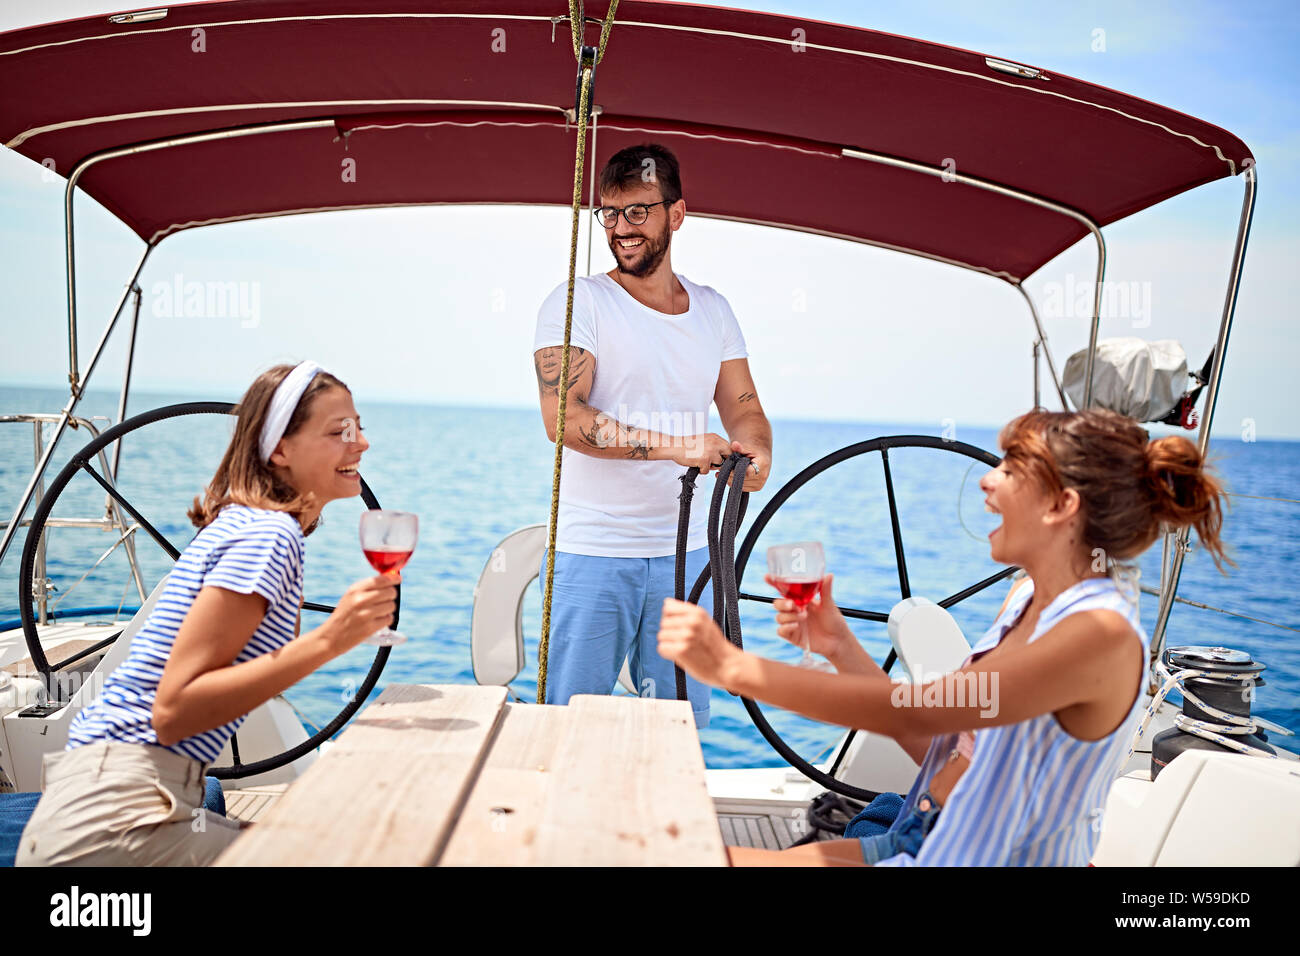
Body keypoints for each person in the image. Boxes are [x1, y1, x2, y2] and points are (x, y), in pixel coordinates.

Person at [659, 408, 1229, 865]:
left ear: (1062, 505)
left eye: (1009, 469)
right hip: (925, 838)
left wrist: (733, 669)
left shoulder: (1097, 633)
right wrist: (837, 643)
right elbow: (943, 744)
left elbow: (918, 711)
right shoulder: (1028, 599)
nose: (986, 479)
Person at [16, 361, 398, 866]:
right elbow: (174, 712)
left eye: (359, 428)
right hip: (114, 828)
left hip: (107, 804)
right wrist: (332, 639)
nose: (361, 443)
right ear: (280, 449)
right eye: (338, 431)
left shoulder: (252, 525)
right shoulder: (268, 536)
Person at [533, 143, 772, 727]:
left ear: (677, 213)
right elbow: (563, 418)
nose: (621, 229)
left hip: (687, 557)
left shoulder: (714, 310)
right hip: (590, 552)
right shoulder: (577, 302)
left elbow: (744, 407)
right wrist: (683, 449)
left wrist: (757, 454)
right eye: (610, 214)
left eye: (637, 212)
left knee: (677, 728)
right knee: (566, 725)